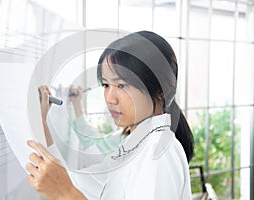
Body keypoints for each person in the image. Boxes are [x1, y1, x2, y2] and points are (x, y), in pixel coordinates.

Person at [26, 31, 194, 199]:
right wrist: (42, 121)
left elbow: (68, 188)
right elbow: (74, 181)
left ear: (160, 90)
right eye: (106, 85)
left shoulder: (156, 152)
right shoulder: (134, 145)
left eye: (121, 85)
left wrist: (66, 194)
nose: (110, 98)